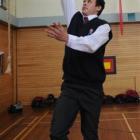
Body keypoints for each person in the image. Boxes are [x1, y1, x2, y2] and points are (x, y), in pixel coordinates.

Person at [46, 0, 113, 140]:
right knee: (56, 133)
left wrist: (67, 37)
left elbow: (91, 45)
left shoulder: (104, 27)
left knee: (90, 135)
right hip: (70, 87)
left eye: (89, 1)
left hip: (92, 90)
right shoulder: (74, 18)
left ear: (99, 7)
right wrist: (67, 37)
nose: (84, 3)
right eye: (84, 1)